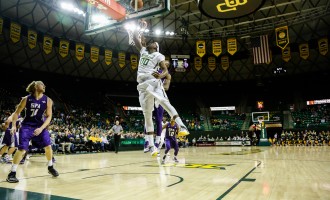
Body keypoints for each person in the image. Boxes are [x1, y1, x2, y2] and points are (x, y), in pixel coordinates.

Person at [132, 21, 189, 157]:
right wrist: (141, 28)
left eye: (154, 43)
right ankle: (151, 146)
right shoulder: (143, 51)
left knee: (164, 102)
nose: (152, 42)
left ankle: (181, 125)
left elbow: (165, 69)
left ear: (156, 48)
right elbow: (135, 37)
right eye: (152, 42)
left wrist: (161, 75)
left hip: (153, 81)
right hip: (142, 86)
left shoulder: (158, 55)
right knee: (147, 116)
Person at [6, 81, 59, 183]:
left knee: (48, 146)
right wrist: (13, 126)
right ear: (35, 86)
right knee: (22, 149)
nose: (44, 86)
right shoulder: (26, 99)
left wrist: (42, 128)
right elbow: (16, 113)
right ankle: (12, 173)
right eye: (42, 84)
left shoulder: (48, 100)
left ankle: (50, 167)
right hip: (26, 126)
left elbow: (49, 116)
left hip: (40, 126)